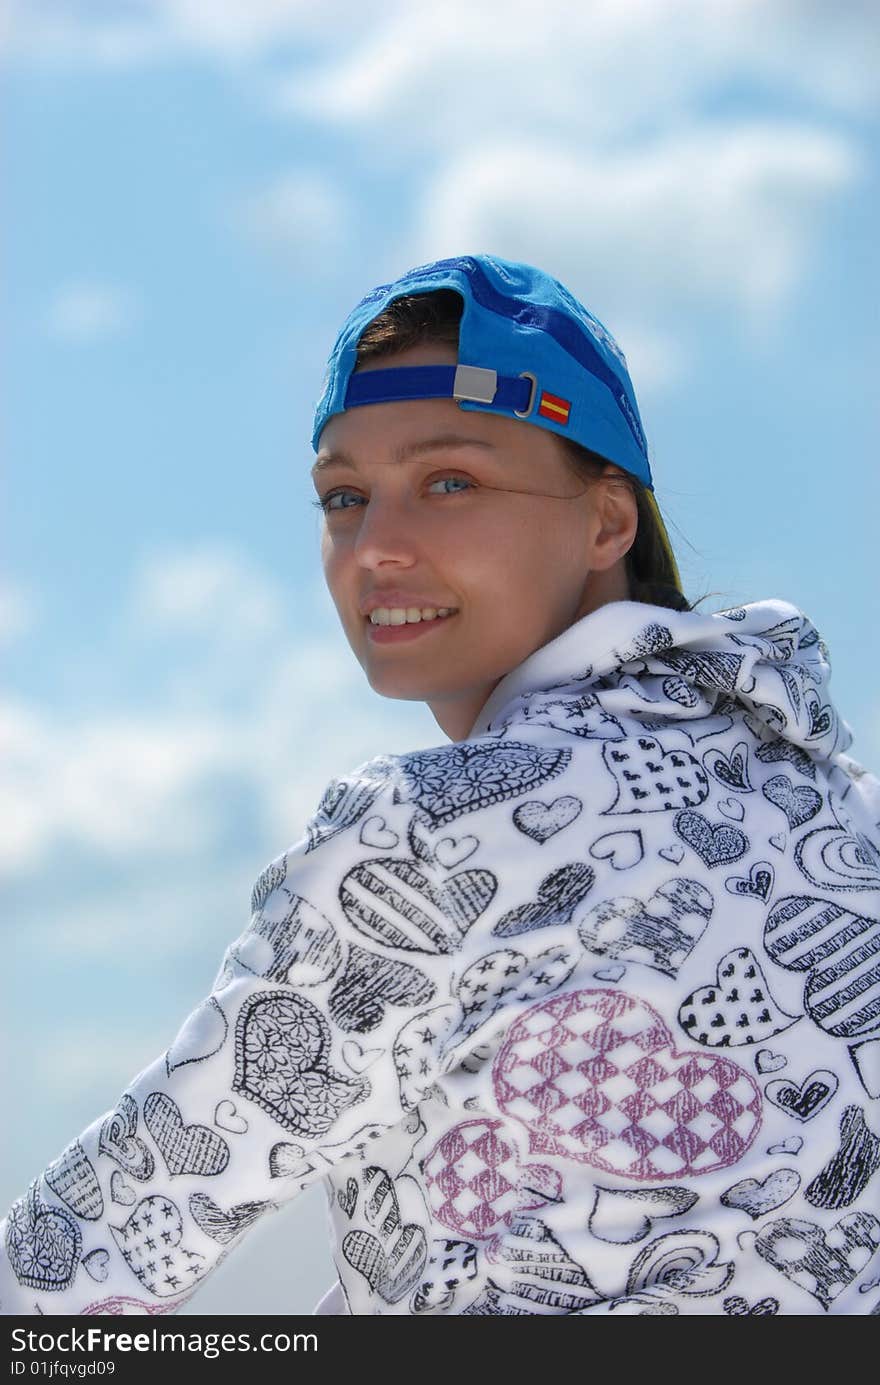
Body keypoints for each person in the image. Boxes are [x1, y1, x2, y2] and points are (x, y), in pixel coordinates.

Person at [3, 253, 879, 1316]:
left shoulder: (437, 836)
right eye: (343, 496)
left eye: (449, 482)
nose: (377, 547)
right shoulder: (848, 815)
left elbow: (83, 1258)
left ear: (608, 521)